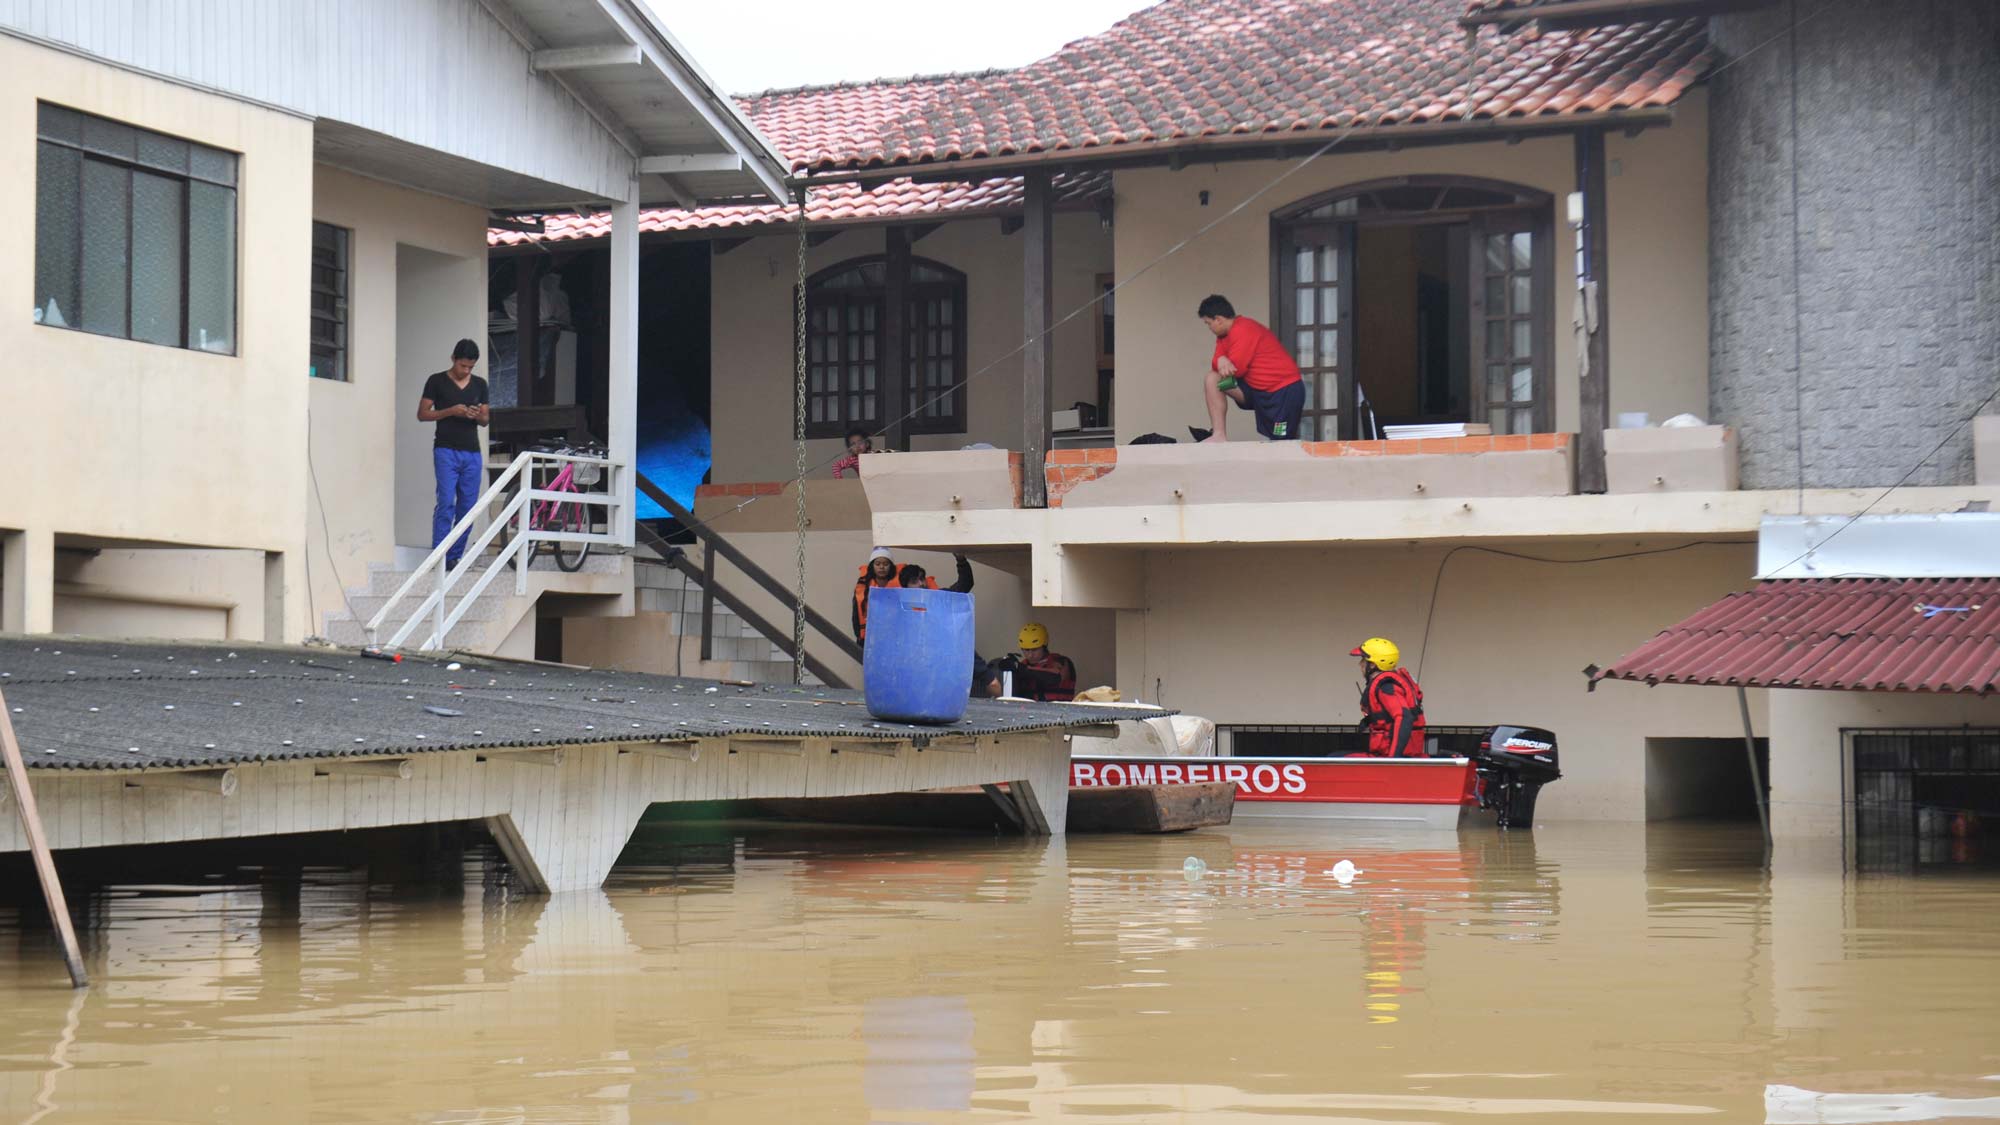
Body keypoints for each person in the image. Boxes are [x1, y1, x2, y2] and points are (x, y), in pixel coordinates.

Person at [417, 339, 490, 569]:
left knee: (468, 507)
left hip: (472, 452)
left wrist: (476, 414)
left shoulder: (480, 384)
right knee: (446, 501)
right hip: (445, 450)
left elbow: (486, 420)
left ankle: (454, 557)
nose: (466, 371)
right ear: (453, 359)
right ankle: (439, 555)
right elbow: (422, 414)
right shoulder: (436, 381)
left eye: (470, 367)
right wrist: (451, 411)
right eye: (462, 366)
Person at [1197, 294, 1304, 443]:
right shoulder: (1222, 336)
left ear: (1219, 319)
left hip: (1282, 393)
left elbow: (1236, 370)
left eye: (1208, 323)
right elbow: (1216, 365)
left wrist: (1223, 360)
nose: (1209, 328)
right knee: (1213, 379)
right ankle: (1219, 434)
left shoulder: (1244, 329)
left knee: (1281, 438)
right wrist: (1221, 359)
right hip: (1255, 391)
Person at [851, 548, 972, 643]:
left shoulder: (937, 597)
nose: (921, 584)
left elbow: (965, 585)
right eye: (914, 581)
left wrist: (961, 561)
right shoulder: (896, 609)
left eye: (922, 579)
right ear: (905, 587)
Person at [1351, 637, 1426, 758]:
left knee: (1332, 759)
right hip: (1388, 755)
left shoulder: (1386, 687)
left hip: (1390, 758)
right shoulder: (1387, 685)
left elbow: (1404, 717)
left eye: (1363, 660)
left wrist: (1393, 760)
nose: (1360, 664)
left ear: (1372, 665)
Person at [998, 623, 1078, 702]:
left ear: (1044, 646)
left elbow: (1055, 678)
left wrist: (1022, 669)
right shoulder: (1023, 664)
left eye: (1035, 650)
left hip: (1059, 711)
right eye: (1026, 650)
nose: (1030, 655)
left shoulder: (1060, 661)